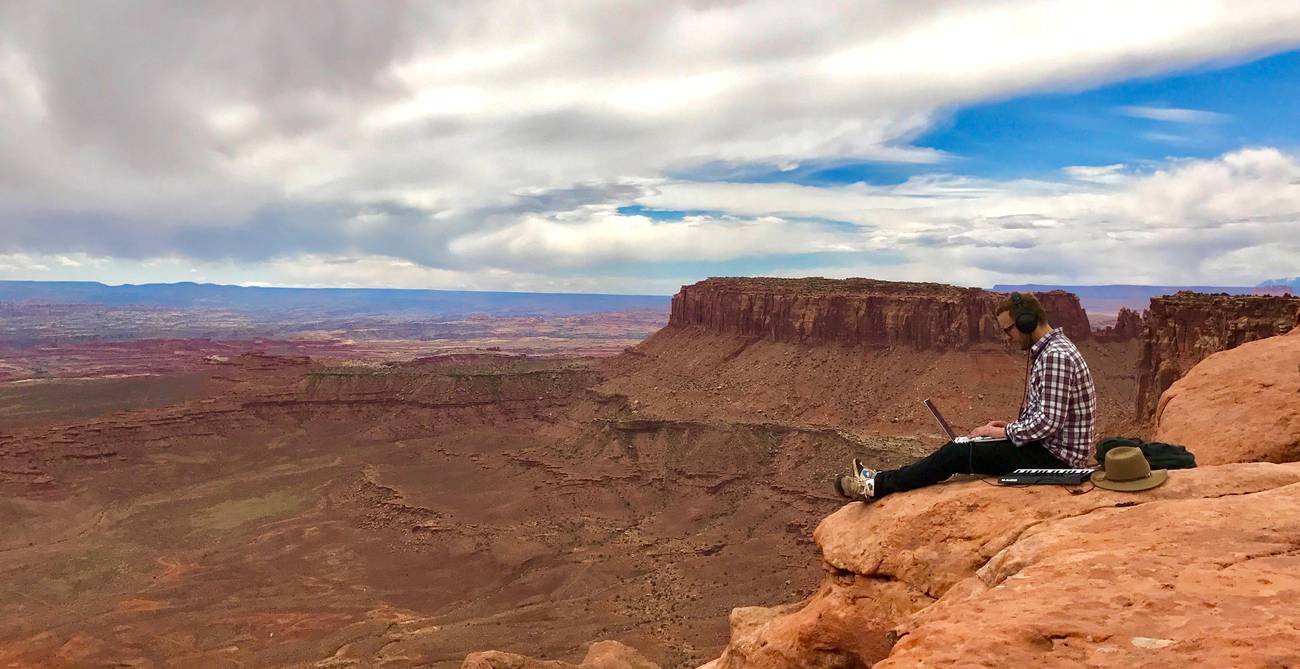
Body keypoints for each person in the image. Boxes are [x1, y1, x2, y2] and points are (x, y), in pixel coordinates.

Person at [834, 292, 1097, 502]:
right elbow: (1048, 418)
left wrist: (998, 434)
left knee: (957, 453)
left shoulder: (1055, 357)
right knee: (964, 445)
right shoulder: (1053, 350)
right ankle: (878, 479)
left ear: (1028, 322)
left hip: (1055, 460)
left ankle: (875, 485)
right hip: (1048, 449)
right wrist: (1008, 428)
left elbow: (1048, 423)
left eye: (1009, 330)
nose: (1008, 338)